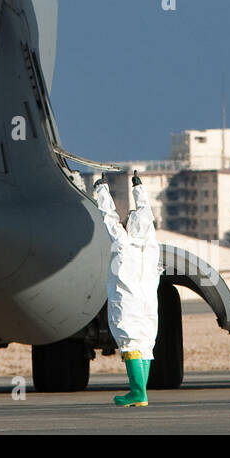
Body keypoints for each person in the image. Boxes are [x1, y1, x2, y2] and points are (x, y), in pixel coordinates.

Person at [91, 171, 162, 406]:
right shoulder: (151, 246)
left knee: (130, 341)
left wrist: (101, 189)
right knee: (145, 343)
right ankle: (141, 392)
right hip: (148, 301)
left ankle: (138, 392)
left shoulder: (123, 242)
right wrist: (138, 188)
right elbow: (146, 214)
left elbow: (108, 217)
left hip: (128, 300)